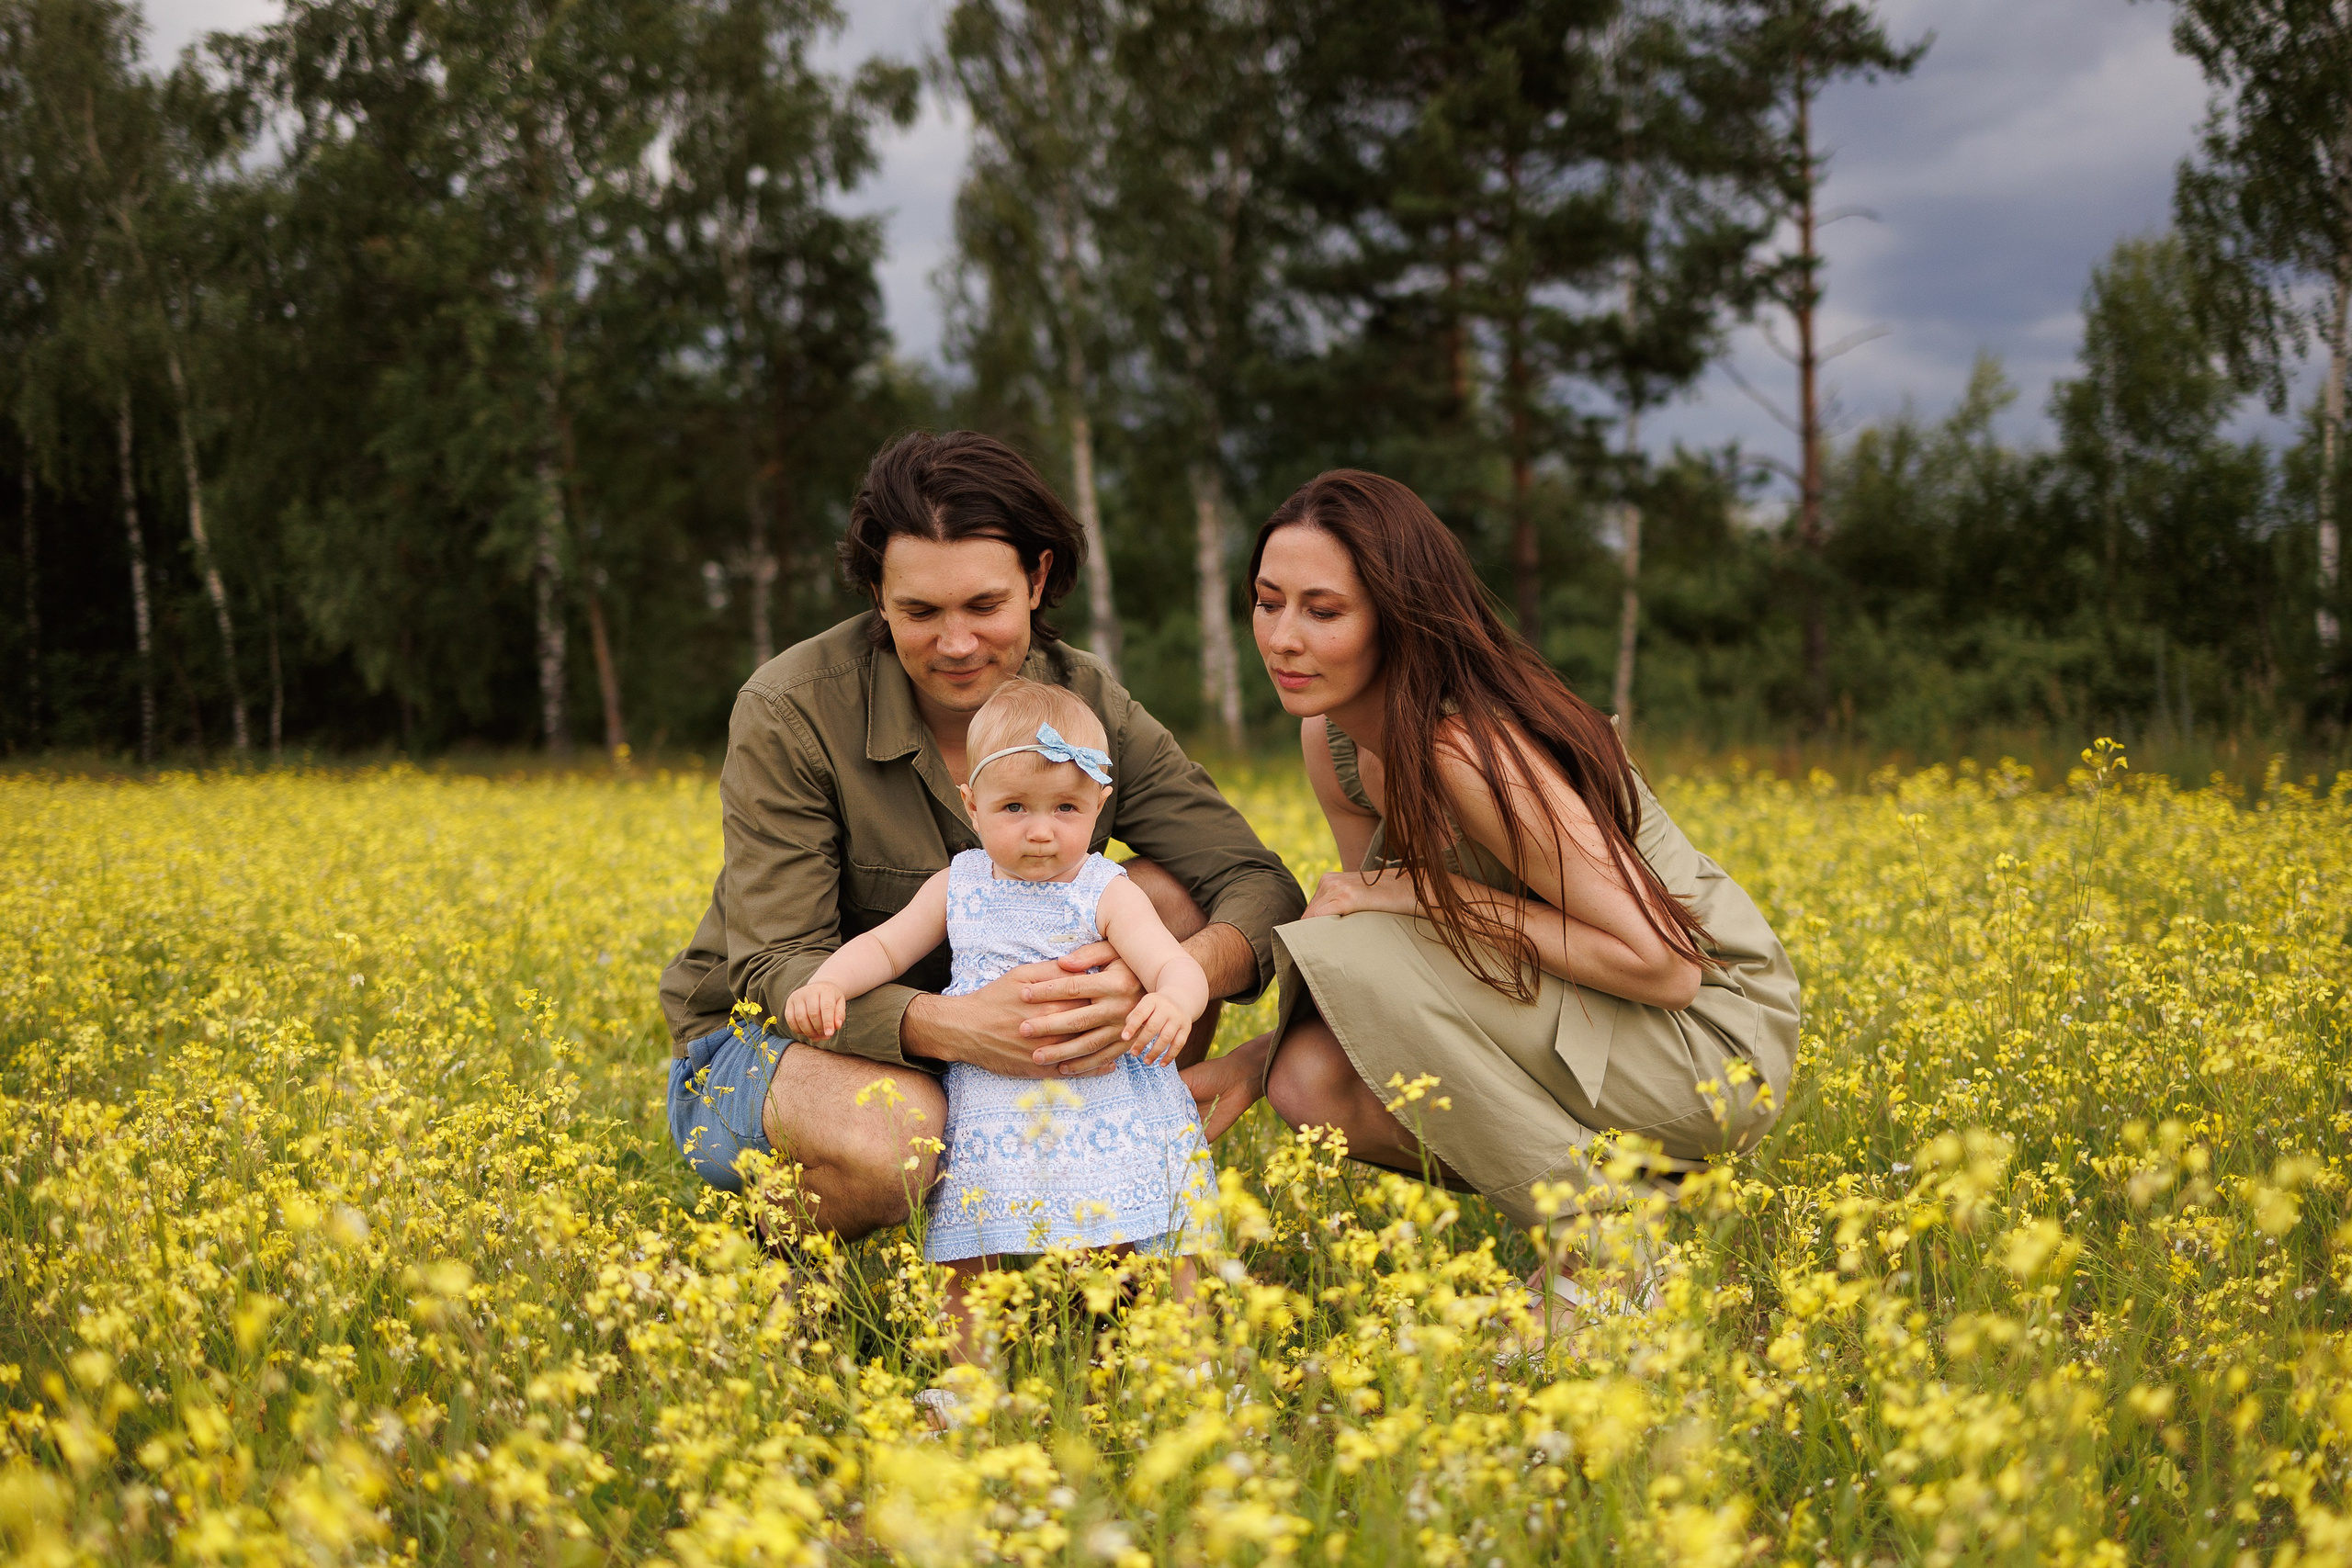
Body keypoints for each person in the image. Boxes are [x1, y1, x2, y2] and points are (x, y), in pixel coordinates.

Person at [1181, 469, 1800, 1322]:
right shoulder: (1333, 744)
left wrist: (1421, 898)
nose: (1283, 636)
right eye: (1267, 601)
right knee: (1309, 1077)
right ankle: (1608, 1213)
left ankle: (1607, 1245)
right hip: (1593, 1008)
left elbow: (1663, 968)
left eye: (1323, 611)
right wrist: (1251, 1064)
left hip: (1711, 1040)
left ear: (1397, 615)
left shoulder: (1465, 747)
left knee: (1346, 941)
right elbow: (1381, 980)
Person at [660, 431, 1302, 1240]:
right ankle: (760, 1273)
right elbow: (776, 968)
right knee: (904, 1132)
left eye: (984, 606)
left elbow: (1257, 880)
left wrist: (1159, 982)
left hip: (1019, 1045)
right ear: (877, 596)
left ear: (1036, 579)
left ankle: (1104, 1253)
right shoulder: (792, 708)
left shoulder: (1083, 701)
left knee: (1164, 898)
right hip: (772, 1046)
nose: (956, 644)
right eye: (920, 611)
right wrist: (957, 1027)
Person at [785, 680, 1216, 1363]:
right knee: (967, 1253)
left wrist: (1174, 1000)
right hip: (993, 1105)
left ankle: (1189, 1362)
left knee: (1145, 1236)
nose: (1041, 829)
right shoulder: (958, 885)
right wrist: (830, 982)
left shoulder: (1104, 889)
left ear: (1100, 806)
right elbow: (887, 946)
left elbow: (1175, 964)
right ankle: (967, 1380)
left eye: (1067, 808)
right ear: (972, 805)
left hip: (1104, 1101)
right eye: (1014, 806)